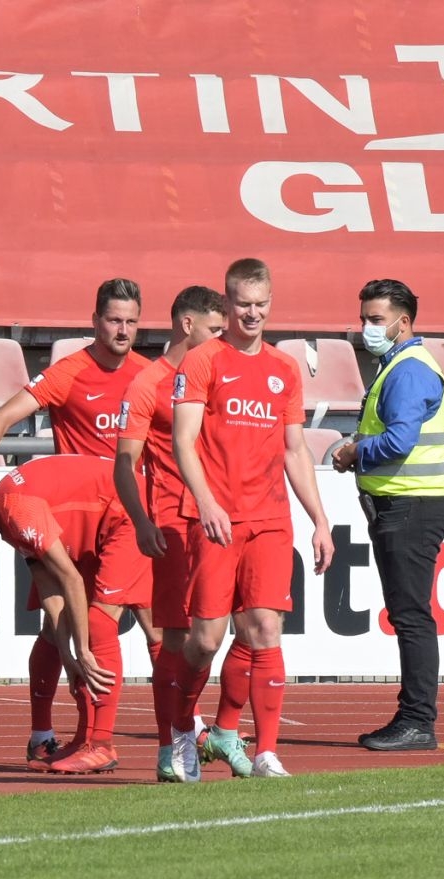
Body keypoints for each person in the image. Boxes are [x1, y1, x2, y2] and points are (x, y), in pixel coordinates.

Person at [0, 279, 154, 769]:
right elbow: (3, 416)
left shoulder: (150, 376)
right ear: (95, 321)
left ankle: (181, 731)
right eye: (114, 320)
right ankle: (53, 734)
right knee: (60, 628)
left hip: (129, 518)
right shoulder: (70, 373)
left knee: (155, 628)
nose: (122, 330)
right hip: (71, 522)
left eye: (131, 322)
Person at [170, 257, 336, 779]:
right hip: (217, 519)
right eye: (243, 304)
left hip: (269, 519)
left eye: (261, 304)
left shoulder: (284, 369)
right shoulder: (202, 362)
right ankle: (181, 731)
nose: (252, 313)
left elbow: (294, 450)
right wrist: (206, 502)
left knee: (265, 628)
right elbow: (183, 441)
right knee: (206, 639)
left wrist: (320, 519)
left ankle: (265, 751)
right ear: (227, 303)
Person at [0, 455, 148, 774]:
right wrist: (68, 657)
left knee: (102, 623)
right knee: (58, 630)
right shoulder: (8, 519)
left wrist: (82, 652)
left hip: (131, 513)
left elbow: (70, 579)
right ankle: (85, 739)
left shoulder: (17, 511)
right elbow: (52, 594)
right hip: (107, 521)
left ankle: (103, 744)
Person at [331, 278, 444, 752]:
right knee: (409, 614)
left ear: (403, 323)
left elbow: (400, 441)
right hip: (407, 502)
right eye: (364, 318)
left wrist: (354, 452)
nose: (367, 327)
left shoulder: (407, 370)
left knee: (411, 616)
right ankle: (415, 718)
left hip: (410, 504)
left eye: (376, 319)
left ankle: (417, 720)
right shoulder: (400, 366)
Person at [114, 285, 228, 783]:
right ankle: (172, 745)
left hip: (225, 518)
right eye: (214, 330)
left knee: (240, 629)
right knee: (174, 638)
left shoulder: (224, 372)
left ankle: (223, 731)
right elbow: (124, 463)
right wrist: (141, 521)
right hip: (174, 523)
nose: (222, 339)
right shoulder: (148, 383)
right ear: (187, 325)